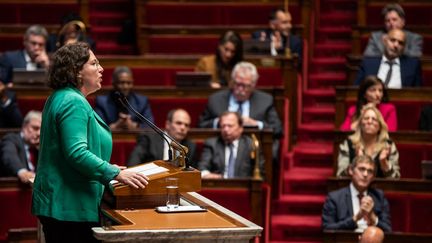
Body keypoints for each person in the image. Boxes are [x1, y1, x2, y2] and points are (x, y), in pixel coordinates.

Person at [31, 43, 149, 243]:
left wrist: (108, 167)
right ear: (76, 71)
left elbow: (68, 151)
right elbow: (76, 153)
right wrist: (116, 173)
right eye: (94, 63)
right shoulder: (72, 101)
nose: (101, 69)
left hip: (65, 202)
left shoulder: (60, 97)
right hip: (69, 205)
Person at [322, 155, 392, 233]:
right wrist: (356, 218)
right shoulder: (335, 198)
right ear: (351, 170)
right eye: (362, 169)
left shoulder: (379, 197)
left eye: (370, 171)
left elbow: (388, 230)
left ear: (373, 177)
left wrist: (372, 217)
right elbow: (327, 229)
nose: (365, 174)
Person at [337, 104, 400, 179]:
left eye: (374, 119)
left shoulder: (388, 146)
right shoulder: (348, 144)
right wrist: (355, 163)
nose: (370, 121)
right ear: (360, 124)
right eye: (366, 118)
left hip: (381, 189)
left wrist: (384, 164)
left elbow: (395, 179)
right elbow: (340, 176)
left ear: (380, 126)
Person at [198, 111, 265, 179]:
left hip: (243, 187)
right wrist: (207, 175)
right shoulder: (212, 144)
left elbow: (260, 172)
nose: (226, 129)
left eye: (230, 126)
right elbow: (202, 168)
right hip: (218, 186)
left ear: (240, 128)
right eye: (223, 126)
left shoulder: (251, 145)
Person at [127, 108, 197, 168]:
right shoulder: (148, 139)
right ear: (168, 124)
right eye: (178, 123)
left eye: (186, 125)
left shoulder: (190, 146)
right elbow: (132, 164)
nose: (183, 128)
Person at [354, 29, 422, 88]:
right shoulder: (368, 63)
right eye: (392, 40)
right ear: (385, 41)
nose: (396, 45)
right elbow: (356, 89)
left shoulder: (412, 65)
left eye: (400, 43)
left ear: (404, 47)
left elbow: (418, 94)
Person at [0, 110, 41, 183]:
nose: (39, 133)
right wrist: (22, 172)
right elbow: (9, 156)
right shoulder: (11, 139)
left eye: (42, 130)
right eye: (35, 128)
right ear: (24, 126)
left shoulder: (41, 148)